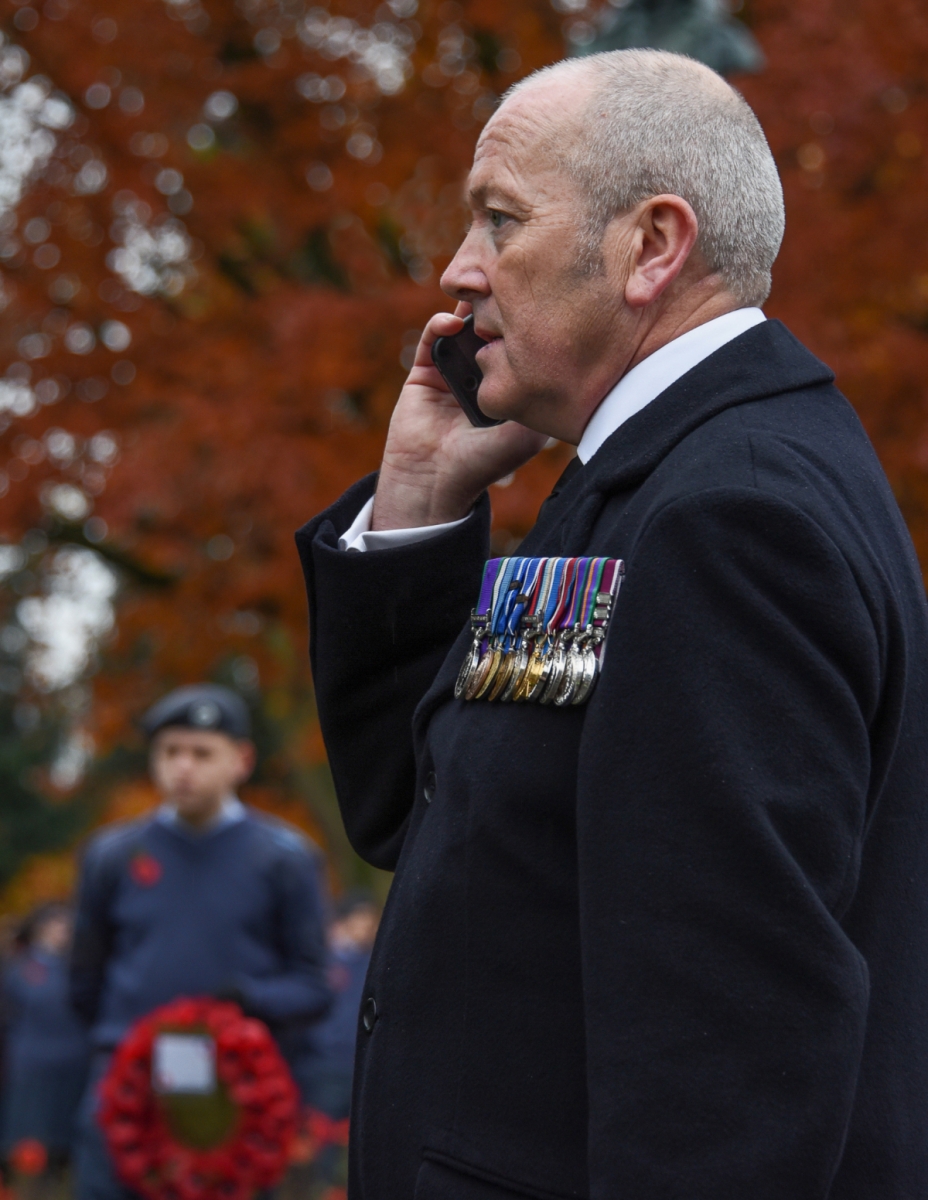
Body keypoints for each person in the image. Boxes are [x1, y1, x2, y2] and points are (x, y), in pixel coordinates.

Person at [295, 48, 928, 1200]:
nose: (458, 270)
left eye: (499, 220)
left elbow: (728, 1066)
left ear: (650, 247)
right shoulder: (639, 492)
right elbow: (424, 813)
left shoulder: (725, 521)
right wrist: (421, 500)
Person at [69, 684, 331, 1200]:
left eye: (201, 753)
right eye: (170, 751)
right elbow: (84, 981)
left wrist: (249, 1000)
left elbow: (314, 986)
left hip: (235, 1107)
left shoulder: (285, 858)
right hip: (128, 1094)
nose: (183, 767)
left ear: (242, 760)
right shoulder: (111, 855)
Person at [0, 904, 90, 1171]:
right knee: (29, 1143)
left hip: (74, 1061)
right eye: (60, 924)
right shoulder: (20, 968)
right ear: (42, 928)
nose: (66, 931)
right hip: (33, 1063)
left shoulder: (80, 966)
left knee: (66, 1140)